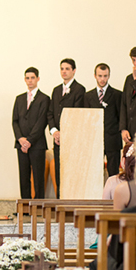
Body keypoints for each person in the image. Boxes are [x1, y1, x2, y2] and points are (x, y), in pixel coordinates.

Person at [47, 58, 86, 198]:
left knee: (70, 174)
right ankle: (59, 204)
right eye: (62, 68)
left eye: (67, 69)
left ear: (74, 71)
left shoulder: (79, 89)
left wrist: (65, 134)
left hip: (71, 140)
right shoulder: (56, 90)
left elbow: (76, 114)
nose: (64, 71)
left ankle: (70, 206)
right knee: (59, 174)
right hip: (57, 139)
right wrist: (54, 131)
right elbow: (50, 113)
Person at [12, 67, 50, 200]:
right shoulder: (19, 99)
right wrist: (21, 139)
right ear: (24, 79)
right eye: (27, 78)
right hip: (21, 144)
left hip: (37, 144)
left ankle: (39, 206)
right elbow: (15, 121)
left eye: (32, 78)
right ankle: (25, 206)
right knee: (24, 176)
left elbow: (41, 122)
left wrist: (29, 141)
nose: (30, 81)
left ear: (38, 79)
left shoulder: (44, 99)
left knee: (38, 177)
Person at [83, 63, 123, 177]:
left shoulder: (117, 95)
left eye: (105, 76)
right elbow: (86, 120)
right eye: (100, 76)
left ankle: (114, 195)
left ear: (109, 76)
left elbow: (121, 118)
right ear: (95, 75)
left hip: (112, 141)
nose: (102, 79)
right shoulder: (87, 96)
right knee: (94, 175)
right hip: (94, 141)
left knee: (114, 174)